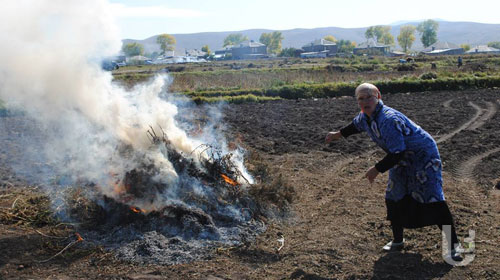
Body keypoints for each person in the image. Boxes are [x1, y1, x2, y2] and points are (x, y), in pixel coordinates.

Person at [325, 83, 462, 261]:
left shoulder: (388, 119)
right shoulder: (366, 116)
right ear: (357, 101)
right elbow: (355, 126)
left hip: (423, 158)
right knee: (394, 196)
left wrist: (376, 169)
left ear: (378, 96)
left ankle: (454, 246)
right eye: (361, 98)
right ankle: (398, 241)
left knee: (433, 198)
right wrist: (337, 134)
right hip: (401, 157)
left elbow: (397, 153)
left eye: (369, 97)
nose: (365, 101)